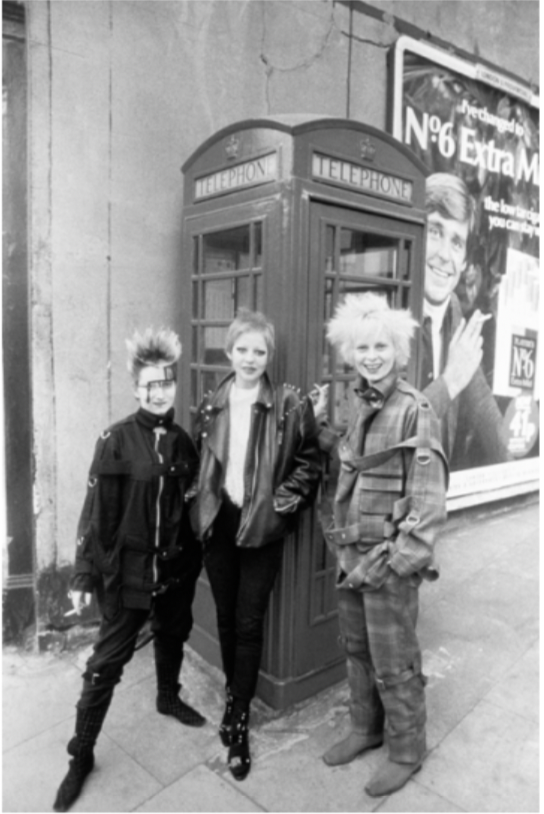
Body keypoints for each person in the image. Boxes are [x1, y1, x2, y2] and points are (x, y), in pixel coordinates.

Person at [53, 328, 205, 813]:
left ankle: (167, 695)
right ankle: (81, 756)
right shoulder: (115, 440)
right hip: (129, 573)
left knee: (173, 633)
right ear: (136, 387)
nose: (159, 392)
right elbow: (94, 512)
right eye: (150, 384)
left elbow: (194, 502)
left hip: (176, 569)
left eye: (167, 383)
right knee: (104, 666)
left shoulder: (183, 442)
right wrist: (82, 575)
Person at [314, 292, 448, 798]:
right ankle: (365, 730)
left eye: (381, 347)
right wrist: (315, 425)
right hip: (350, 554)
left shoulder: (416, 410)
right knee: (357, 651)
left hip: (387, 561)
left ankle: (407, 749)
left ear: (398, 349)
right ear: (351, 352)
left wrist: (398, 562)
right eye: (363, 347)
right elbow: (354, 459)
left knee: (395, 660)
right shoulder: (360, 401)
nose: (372, 355)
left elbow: (429, 498)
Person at [191, 308, 321, 781]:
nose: (250, 358)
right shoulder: (213, 402)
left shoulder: (289, 404)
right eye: (242, 349)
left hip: (263, 526)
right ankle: (233, 699)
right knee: (226, 618)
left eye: (259, 351)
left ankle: (240, 722)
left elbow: (310, 464)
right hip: (220, 522)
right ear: (229, 352)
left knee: (248, 622)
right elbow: (200, 463)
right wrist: (197, 507)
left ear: (270, 356)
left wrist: (281, 504)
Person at [420, 172, 510, 469]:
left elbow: (483, 407)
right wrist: (449, 383)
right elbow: (387, 438)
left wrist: (518, 471)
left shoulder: (454, 310)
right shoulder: (386, 313)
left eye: (456, 242)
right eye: (434, 232)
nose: (445, 255)